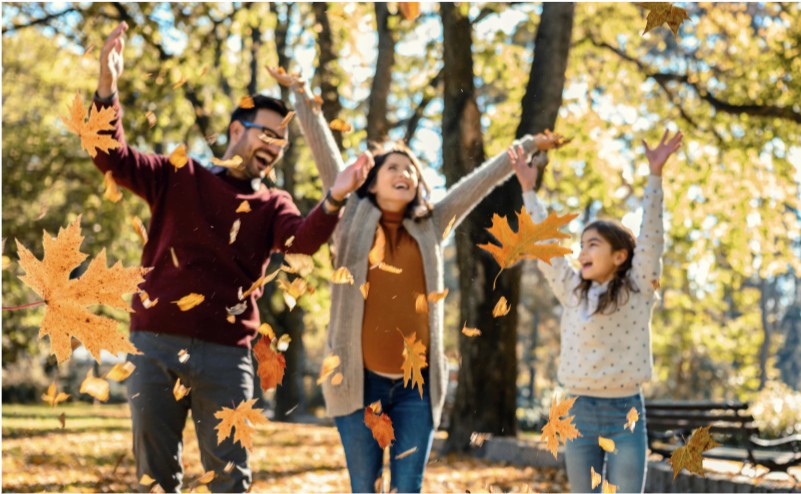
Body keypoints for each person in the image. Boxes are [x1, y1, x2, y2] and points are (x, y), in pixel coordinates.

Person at [91, 22, 372, 493]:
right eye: (267, 134)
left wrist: (335, 198)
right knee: (154, 477)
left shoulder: (273, 203)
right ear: (237, 129)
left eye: (282, 141)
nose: (274, 147)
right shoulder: (178, 174)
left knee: (229, 480)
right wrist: (106, 88)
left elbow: (301, 241)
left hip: (228, 356)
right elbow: (112, 158)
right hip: (156, 344)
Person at [268, 67, 550, 492]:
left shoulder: (432, 225)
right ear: (371, 179)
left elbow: (480, 182)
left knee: (408, 487)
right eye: (394, 167)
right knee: (366, 486)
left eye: (412, 169)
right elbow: (324, 149)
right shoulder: (350, 216)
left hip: (416, 390)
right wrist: (303, 93)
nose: (405, 173)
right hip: (358, 383)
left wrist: (527, 145)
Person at [510, 130, 683, 493]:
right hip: (578, 411)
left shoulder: (637, 288)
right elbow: (546, 244)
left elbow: (651, 239)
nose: (581, 252)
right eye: (581, 244)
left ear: (619, 256)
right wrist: (528, 189)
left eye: (593, 244)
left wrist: (655, 176)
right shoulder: (573, 291)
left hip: (626, 414)